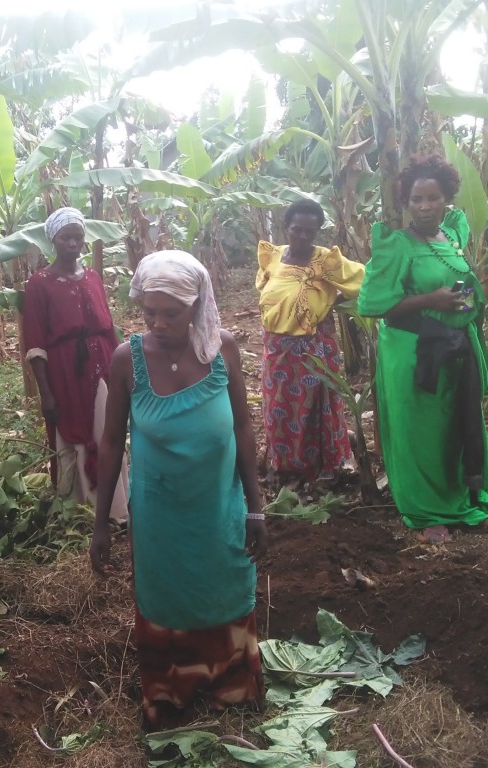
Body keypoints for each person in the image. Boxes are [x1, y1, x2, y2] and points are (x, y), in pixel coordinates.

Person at [90, 250, 268, 727]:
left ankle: (231, 686)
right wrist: (102, 523)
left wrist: (256, 508)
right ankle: (170, 694)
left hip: (218, 506)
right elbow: (109, 444)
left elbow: (244, 430)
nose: (160, 322)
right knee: (167, 593)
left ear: (197, 306)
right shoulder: (128, 360)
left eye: (172, 313)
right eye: (150, 312)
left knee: (225, 584)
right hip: (160, 514)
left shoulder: (221, 351)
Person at [357, 154, 488, 544]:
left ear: (447, 199)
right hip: (413, 351)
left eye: (433, 198)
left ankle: (464, 498)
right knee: (420, 431)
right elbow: (374, 306)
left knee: (455, 424)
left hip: (455, 345)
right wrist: (432, 299)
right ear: (405, 203)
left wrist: (462, 302)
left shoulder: (453, 235)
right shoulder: (396, 246)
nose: (425, 207)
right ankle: (425, 511)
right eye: (416, 200)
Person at [22, 207, 128, 521]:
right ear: (53, 239)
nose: (73, 243)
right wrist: (46, 392)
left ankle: (116, 509)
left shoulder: (93, 277)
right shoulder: (39, 283)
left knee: (107, 429)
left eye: (77, 237)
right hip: (65, 371)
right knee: (75, 435)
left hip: (103, 364)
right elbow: (36, 342)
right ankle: (82, 511)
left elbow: (108, 326)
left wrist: (123, 370)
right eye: (65, 237)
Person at [256, 199, 365, 485]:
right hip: (277, 347)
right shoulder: (275, 257)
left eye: (310, 232)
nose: (303, 237)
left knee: (317, 405)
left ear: (317, 232)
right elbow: (267, 287)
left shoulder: (326, 260)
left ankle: (322, 466)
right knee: (279, 406)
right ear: (286, 227)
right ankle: (284, 465)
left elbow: (365, 280)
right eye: (297, 230)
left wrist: (332, 301)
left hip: (314, 345)